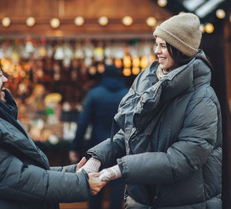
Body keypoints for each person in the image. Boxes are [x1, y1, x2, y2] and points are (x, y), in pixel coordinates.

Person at [80, 13, 222, 208]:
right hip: (143, 200)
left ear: (180, 49)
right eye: (157, 44)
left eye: (164, 46)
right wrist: (97, 157)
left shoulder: (202, 98)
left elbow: (182, 159)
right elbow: (132, 133)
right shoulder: (150, 84)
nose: (157, 51)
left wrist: (121, 168)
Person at [0, 51, 105, 209]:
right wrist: (79, 183)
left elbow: (21, 170)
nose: (5, 79)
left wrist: (71, 173)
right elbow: (18, 180)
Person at [69, 64, 128, 209]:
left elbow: (83, 122)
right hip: (120, 146)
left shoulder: (95, 93)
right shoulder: (127, 94)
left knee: (94, 183)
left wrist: (75, 147)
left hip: (97, 146)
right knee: (117, 185)